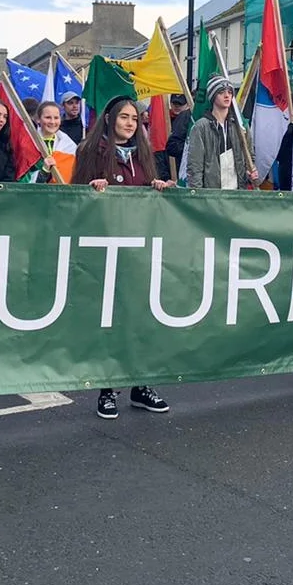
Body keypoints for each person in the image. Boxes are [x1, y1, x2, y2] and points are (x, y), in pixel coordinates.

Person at [72, 97, 175, 419]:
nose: (131, 123)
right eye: (125, 117)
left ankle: (141, 384)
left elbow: (146, 194)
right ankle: (107, 388)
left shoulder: (143, 155)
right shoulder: (91, 152)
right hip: (107, 247)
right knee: (113, 319)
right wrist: (91, 190)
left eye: (136, 118)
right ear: (110, 119)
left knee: (142, 317)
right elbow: (74, 195)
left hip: (139, 248)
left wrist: (157, 187)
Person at [186, 77, 258, 189]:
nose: (227, 95)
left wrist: (250, 173)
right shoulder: (200, 128)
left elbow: (250, 158)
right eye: (221, 92)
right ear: (213, 96)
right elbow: (195, 167)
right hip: (212, 197)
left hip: (237, 195)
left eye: (230, 92)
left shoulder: (241, 126)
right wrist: (198, 198)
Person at [34, 100, 66, 183]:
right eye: (48, 117)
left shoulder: (68, 145)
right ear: (38, 119)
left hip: (61, 193)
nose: (52, 122)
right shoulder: (30, 144)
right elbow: (25, 179)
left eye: (56, 118)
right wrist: (44, 171)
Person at [163, 93, 192, 170]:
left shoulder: (189, 118)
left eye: (180, 104)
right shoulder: (163, 119)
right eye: (174, 103)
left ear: (187, 104)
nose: (177, 106)